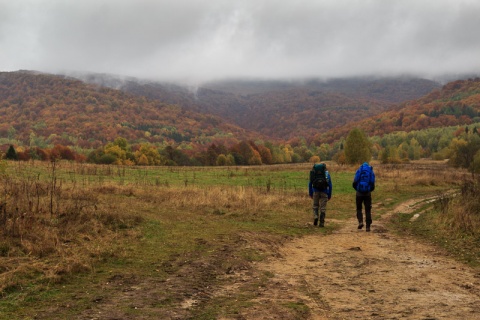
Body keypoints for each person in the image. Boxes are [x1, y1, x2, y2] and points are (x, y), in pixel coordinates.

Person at [352, 162, 375, 232]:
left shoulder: (359, 170)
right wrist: (369, 190)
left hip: (359, 193)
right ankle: (368, 226)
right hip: (367, 193)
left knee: (359, 208)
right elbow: (372, 182)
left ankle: (360, 222)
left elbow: (355, 181)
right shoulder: (370, 171)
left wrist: (357, 189)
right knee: (368, 210)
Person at [308, 163, 332, 227]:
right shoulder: (326, 173)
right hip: (324, 191)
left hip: (315, 191)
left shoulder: (313, 173)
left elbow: (310, 184)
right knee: (323, 207)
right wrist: (329, 194)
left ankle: (316, 216)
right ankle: (321, 222)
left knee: (315, 205)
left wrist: (310, 193)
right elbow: (330, 185)